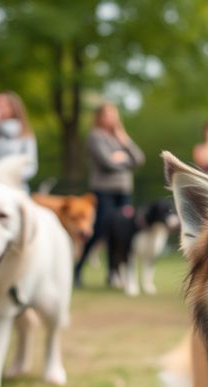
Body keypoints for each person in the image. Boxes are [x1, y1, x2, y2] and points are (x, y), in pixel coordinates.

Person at [73, 102, 145, 286]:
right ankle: (77, 270)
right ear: (100, 117)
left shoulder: (119, 138)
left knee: (120, 233)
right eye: (107, 114)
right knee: (98, 230)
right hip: (104, 190)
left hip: (123, 191)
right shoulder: (95, 136)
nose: (111, 118)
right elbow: (106, 162)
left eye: (114, 114)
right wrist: (122, 159)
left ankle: (113, 274)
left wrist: (123, 143)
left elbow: (139, 158)